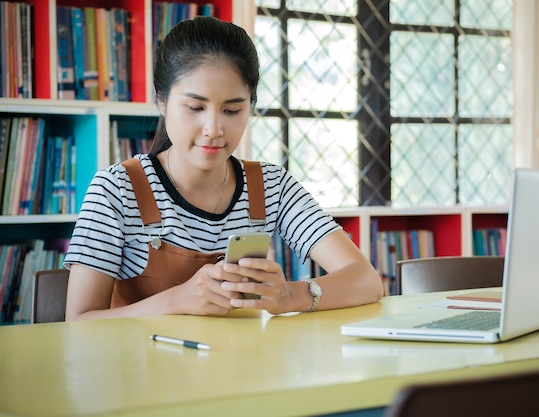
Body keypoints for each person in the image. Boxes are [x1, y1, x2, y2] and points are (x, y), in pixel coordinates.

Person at [64, 16, 383, 321]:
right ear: (162, 101)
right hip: (144, 371)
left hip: (241, 370)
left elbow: (366, 281)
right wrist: (177, 301)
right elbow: (79, 321)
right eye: (195, 107)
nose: (214, 128)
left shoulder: (271, 186)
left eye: (232, 110)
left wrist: (290, 296)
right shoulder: (117, 188)